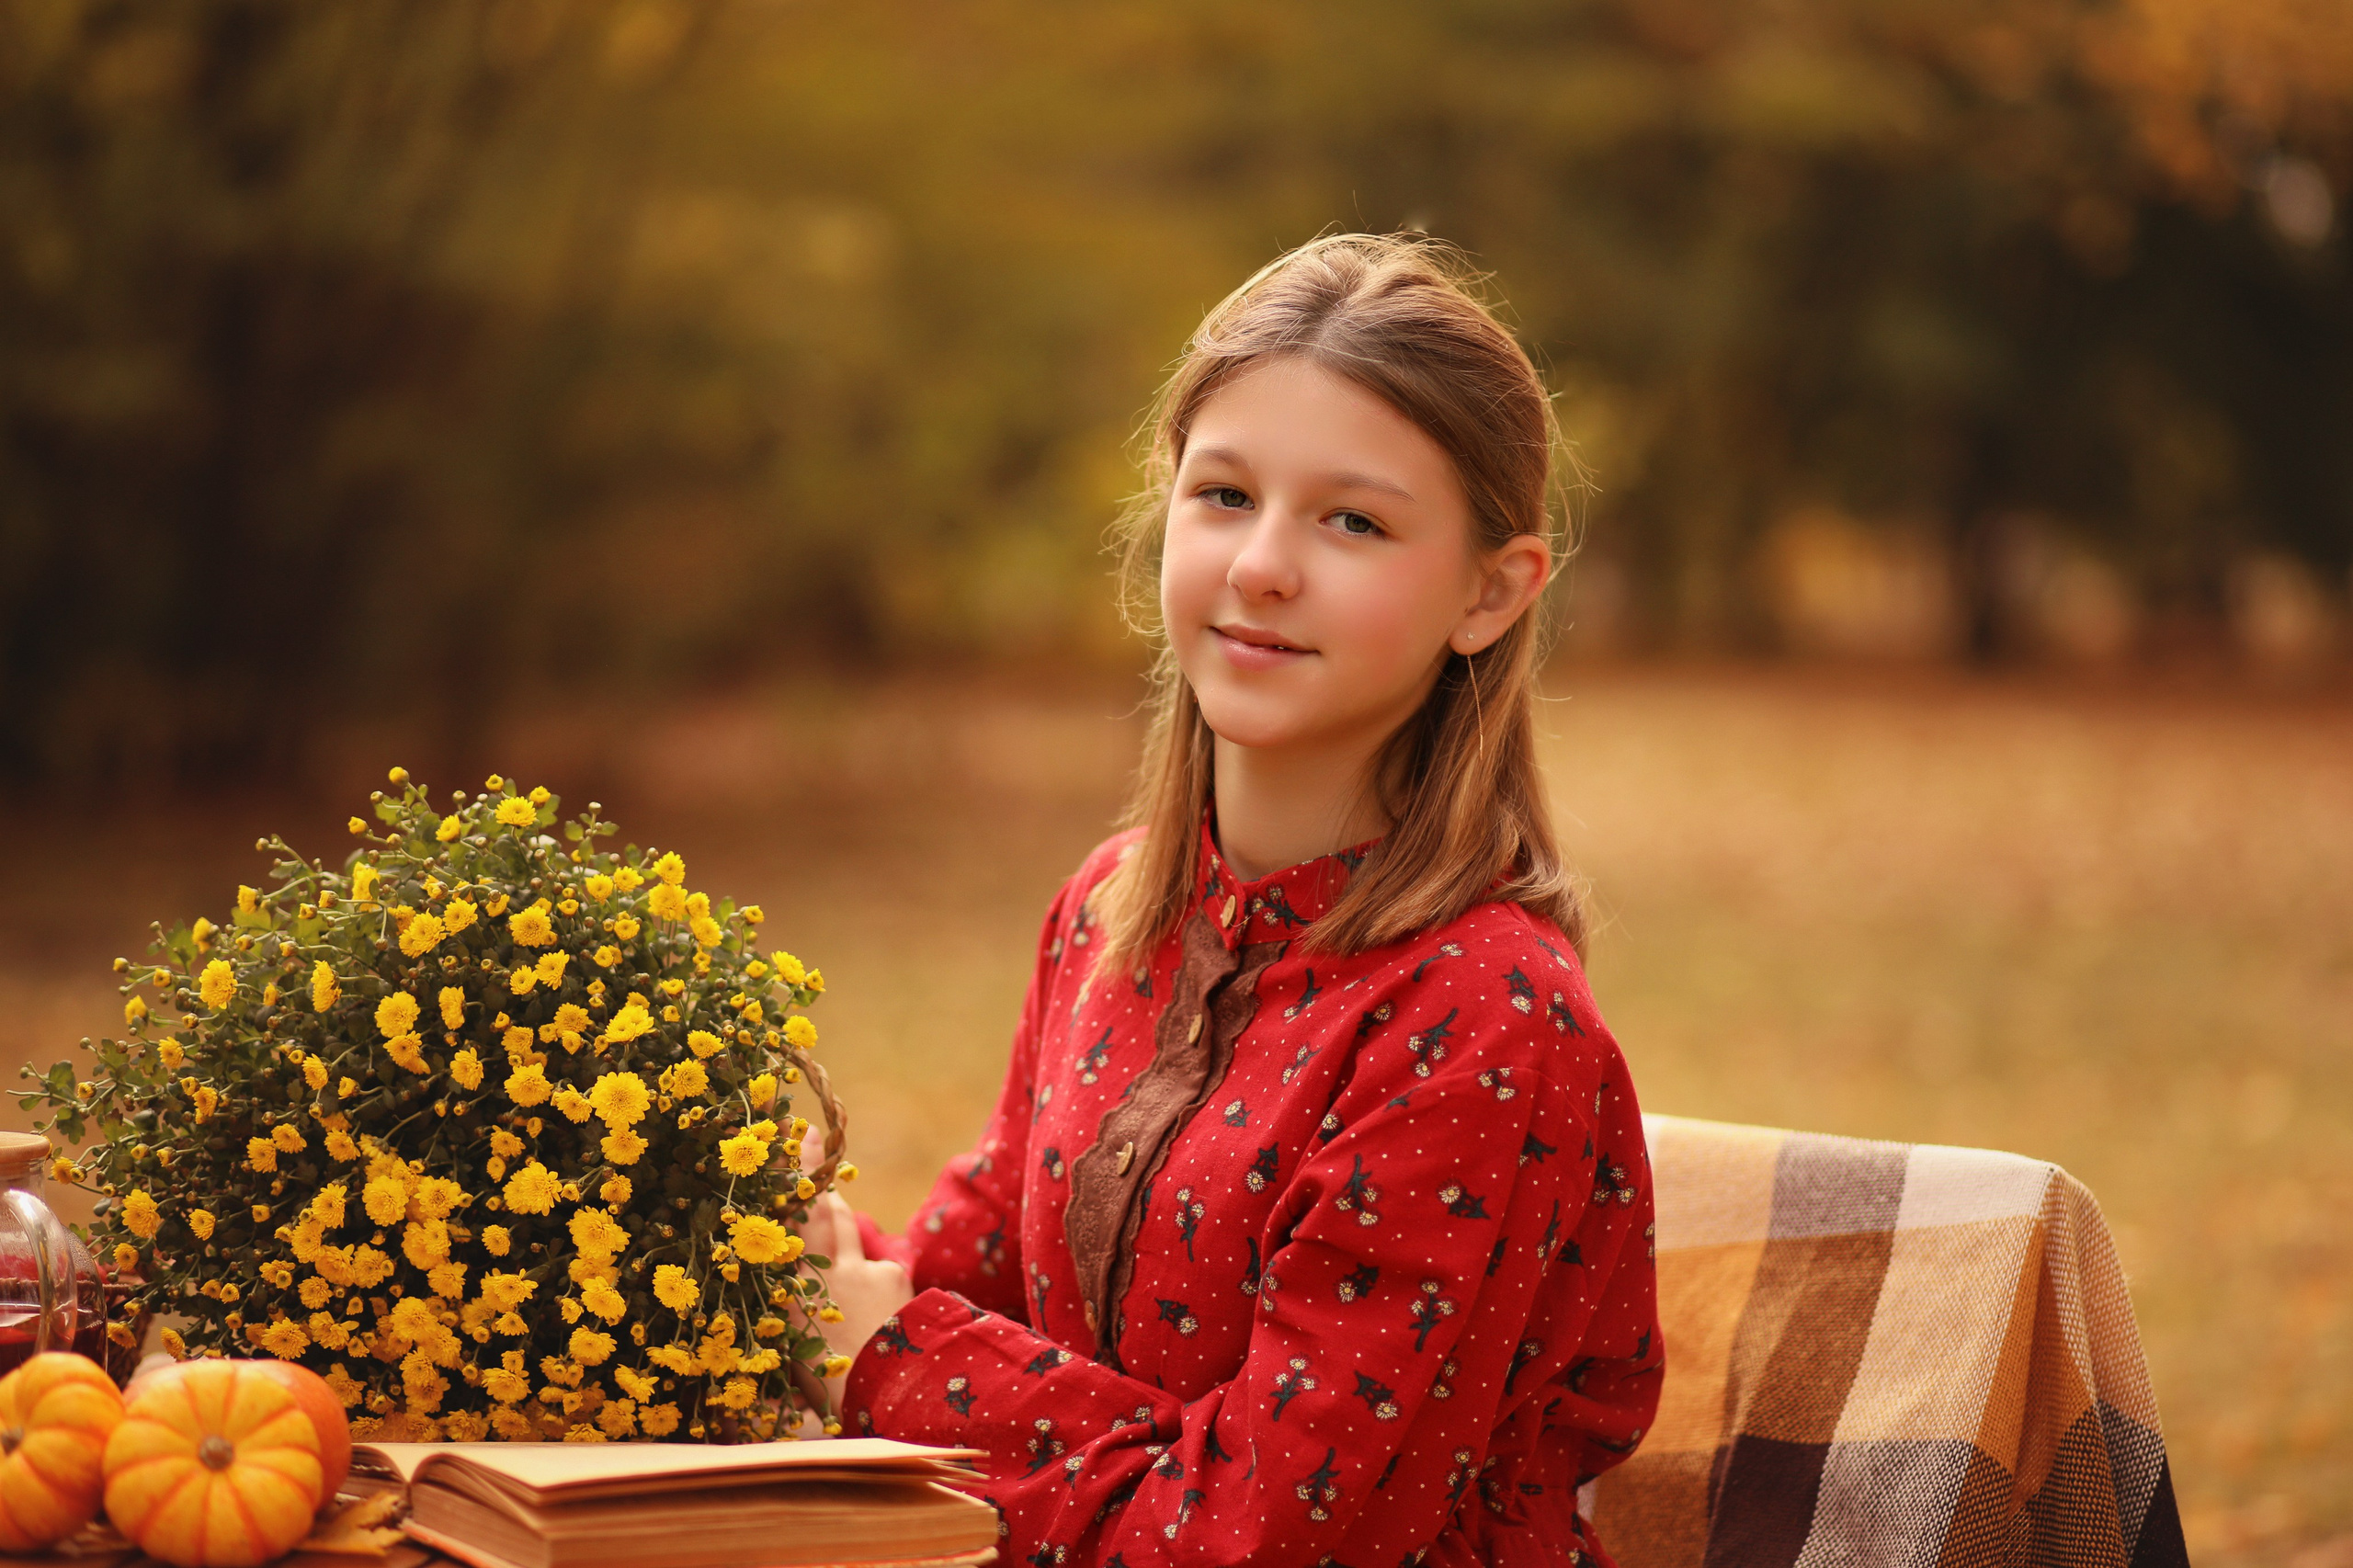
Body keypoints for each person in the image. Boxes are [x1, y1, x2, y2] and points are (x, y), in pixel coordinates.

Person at [799, 233, 1661, 1567]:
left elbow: (1259, 1534)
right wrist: (734, 1226)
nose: (1263, 563)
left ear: (1491, 591)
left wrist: (892, 1358)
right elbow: (965, 1274)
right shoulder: (1110, 911)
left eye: (1352, 520)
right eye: (1225, 495)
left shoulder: (1484, 1015)